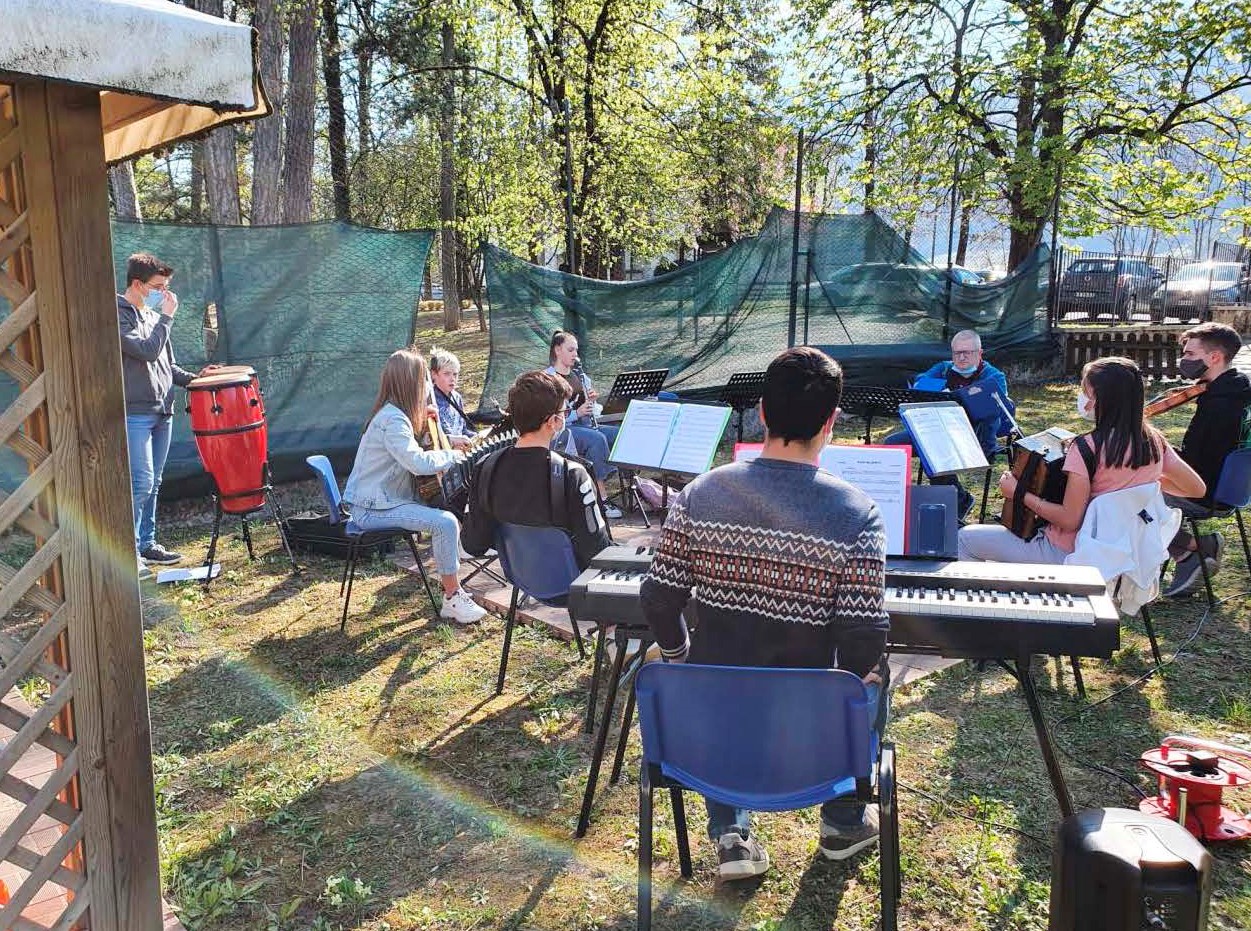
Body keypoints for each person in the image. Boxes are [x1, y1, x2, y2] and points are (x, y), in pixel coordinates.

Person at [640, 346, 890, 881]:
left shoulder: (699, 494)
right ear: (830, 421)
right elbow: (864, 636)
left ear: (761, 411)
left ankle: (731, 834)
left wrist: (680, 656)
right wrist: (854, 674)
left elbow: (660, 598)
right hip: (809, 742)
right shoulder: (859, 514)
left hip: (713, 729)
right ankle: (843, 822)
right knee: (873, 678)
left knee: (715, 672)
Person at [958, 357, 1205, 565]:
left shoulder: (1086, 448)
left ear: (1100, 399)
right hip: (1124, 553)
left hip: (1072, 553)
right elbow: (1196, 488)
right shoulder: (1155, 442)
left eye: (1085, 391)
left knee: (965, 539)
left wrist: (1019, 492)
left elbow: (1069, 520)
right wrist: (1140, 485)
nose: (1081, 398)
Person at [342, 348, 488, 625]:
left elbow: (414, 448)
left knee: (450, 507)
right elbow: (417, 463)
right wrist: (452, 455)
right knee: (445, 521)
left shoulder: (398, 414)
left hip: (388, 500)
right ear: (410, 383)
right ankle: (452, 598)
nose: (427, 387)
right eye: (423, 380)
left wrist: (427, 423)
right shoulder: (393, 420)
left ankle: (457, 555)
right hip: (371, 509)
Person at [462, 371, 613, 568]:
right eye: (564, 412)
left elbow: (473, 545)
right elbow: (597, 551)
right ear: (553, 421)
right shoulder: (574, 475)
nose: (565, 417)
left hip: (521, 575)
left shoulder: (485, 467)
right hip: (571, 584)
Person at [118, 252, 201, 578]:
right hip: (135, 411)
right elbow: (146, 351)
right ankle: (129, 550)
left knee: (154, 483)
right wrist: (167, 318)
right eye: (158, 287)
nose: (165, 294)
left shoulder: (153, 316)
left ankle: (147, 544)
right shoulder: (119, 314)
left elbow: (166, 365)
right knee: (141, 481)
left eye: (166, 287)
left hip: (162, 411)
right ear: (137, 284)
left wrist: (197, 379)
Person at [1163, 322, 1251, 596]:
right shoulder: (1235, 390)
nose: (1184, 361)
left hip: (1206, 491)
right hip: (1232, 488)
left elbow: (1196, 466)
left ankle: (1196, 546)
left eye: (1190, 354)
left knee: (1118, 493)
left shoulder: (1220, 404)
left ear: (1215, 357)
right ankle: (1186, 555)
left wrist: (1159, 451)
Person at [545, 331, 623, 519]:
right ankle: (601, 499)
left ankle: (632, 487)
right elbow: (551, 415)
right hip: (565, 429)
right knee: (597, 439)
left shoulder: (581, 376)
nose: (575, 355)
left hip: (586, 425)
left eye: (576, 350)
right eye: (570, 350)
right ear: (557, 350)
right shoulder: (548, 379)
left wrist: (592, 403)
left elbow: (595, 411)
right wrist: (576, 413)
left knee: (621, 434)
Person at [429, 346, 473, 450]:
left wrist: (477, 437)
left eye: (455, 374)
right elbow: (430, 439)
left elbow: (463, 430)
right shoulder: (429, 400)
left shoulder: (457, 397)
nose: (452, 379)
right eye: (447, 374)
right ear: (434, 374)